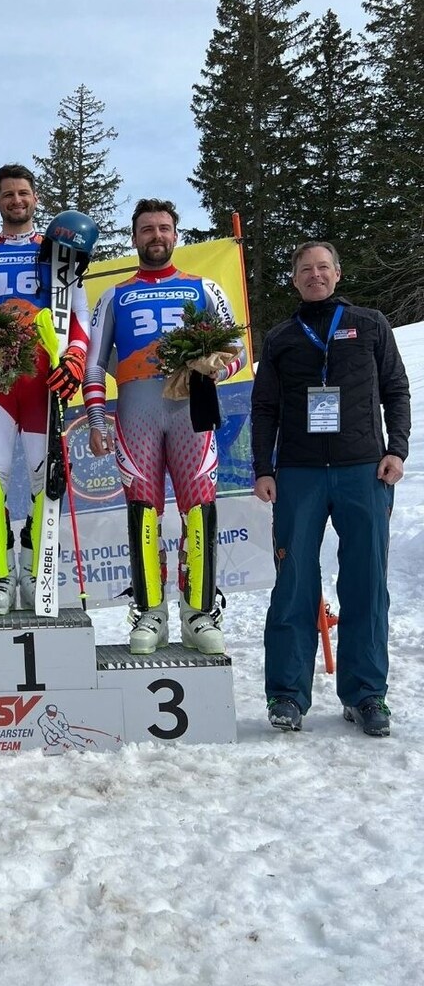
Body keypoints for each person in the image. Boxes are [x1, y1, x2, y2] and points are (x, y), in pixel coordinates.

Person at [252, 241, 410, 736]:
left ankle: (366, 695)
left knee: (366, 583)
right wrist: (264, 467)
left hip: (363, 469)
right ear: (294, 279)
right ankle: (287, 695)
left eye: (323, 267)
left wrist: (396, 450)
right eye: (305, 269)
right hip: (298, 472)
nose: (315, 276)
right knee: (294, 583)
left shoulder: (371, 324)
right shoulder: (281, 338)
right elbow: (265, 409)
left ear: (337, 274)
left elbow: (395, 389)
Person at [83, 198, 244, 656]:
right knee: (142, 511)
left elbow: (238, 351)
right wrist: (96, 420)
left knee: (200, 508)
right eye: (148, 229)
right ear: (134, 238)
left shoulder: (205, 288)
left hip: (191, 412)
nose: (157, 236)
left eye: (165, 228)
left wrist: (214, 369)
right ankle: (150, 611)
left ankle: (199, 611)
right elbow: (94, 366)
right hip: (136, 412)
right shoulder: (114, 295)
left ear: (176, 235)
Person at [0, 163, 91, 614]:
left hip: (43, 384)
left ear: (35, 198)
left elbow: (81, 319)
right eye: (8, 194)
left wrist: (74, 357)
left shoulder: (60, 250)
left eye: (23, 193)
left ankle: (34, 572)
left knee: (43, 482)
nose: (16, 201)